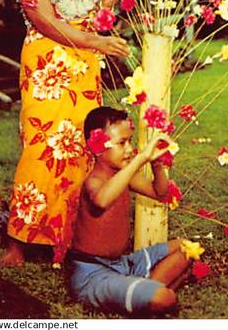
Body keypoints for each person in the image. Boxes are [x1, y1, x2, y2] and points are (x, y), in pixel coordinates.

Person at [1, 0, 129, 267]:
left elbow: (95, 25)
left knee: (84, 146)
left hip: (85, 69)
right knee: (41, 145)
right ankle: (20, 240)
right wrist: (96, 42)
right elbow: (44, 22)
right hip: (48, 68)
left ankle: (69, 236)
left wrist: (109, 5)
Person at [68, 107, 190, 316]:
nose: (129, 149)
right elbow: (102, 200)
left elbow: (159, 193)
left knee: (187, 248)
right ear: (96, 145)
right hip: (93, 273)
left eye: (130, 141)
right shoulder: (94, 181)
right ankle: (148, 292)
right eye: (122, 143)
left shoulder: (125, 175)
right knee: (164, 298)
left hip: (123, 264)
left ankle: (141, 289)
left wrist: (156, 164)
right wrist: (139, 159)